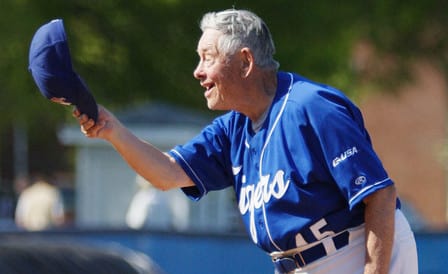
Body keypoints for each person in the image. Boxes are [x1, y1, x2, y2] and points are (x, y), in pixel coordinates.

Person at [74, 9, 418, 274]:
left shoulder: (312, 107)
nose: (197, 70)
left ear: (244, 62)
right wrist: (112, 129)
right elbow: (165, 173)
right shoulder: (231, 129)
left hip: (359, 253)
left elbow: (380, 194)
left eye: (207, 57)